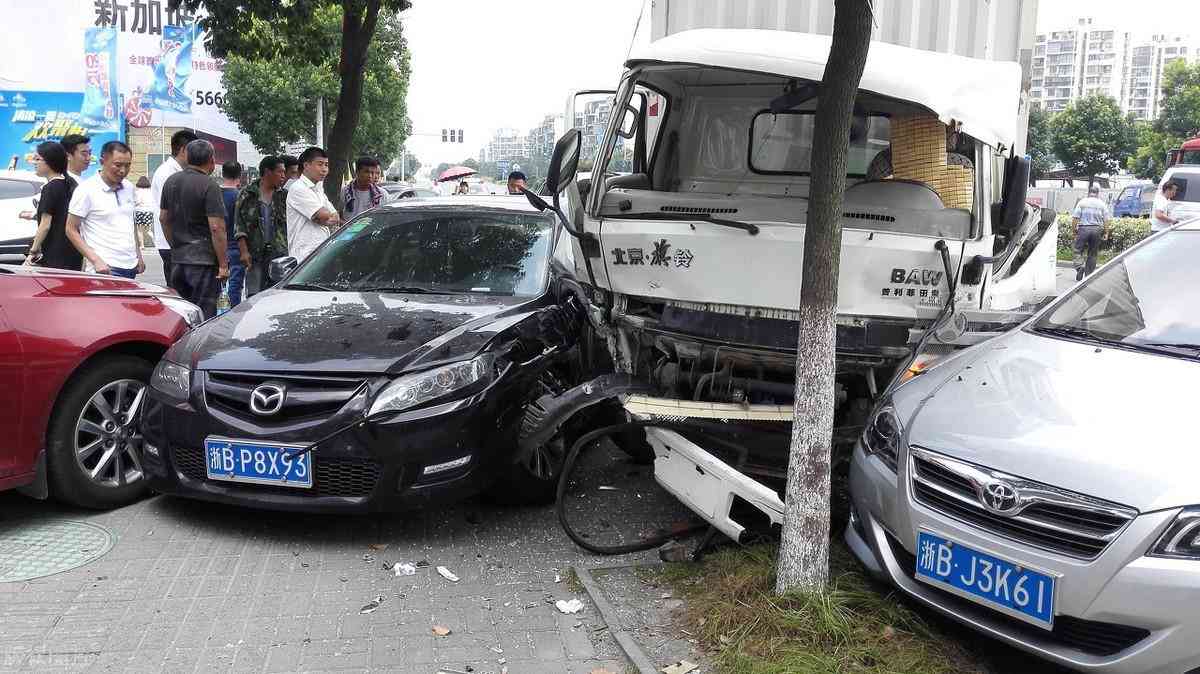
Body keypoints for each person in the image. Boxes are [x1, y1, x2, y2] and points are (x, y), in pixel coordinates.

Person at [160, 140, 228, 318]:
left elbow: (163, 218)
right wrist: (223, 265)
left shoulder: (171, 182)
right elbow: (216, 227)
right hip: (203, 263)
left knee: (180, 315)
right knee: (203, 316)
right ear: (211, 160)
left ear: (188, 157)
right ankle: (198, 346)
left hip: (178, 260)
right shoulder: (209, 185)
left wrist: (175, 245)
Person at [65, 141, 144, 278]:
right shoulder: (86, 189)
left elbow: (131, 224)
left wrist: (138, 255)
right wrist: (95, 260)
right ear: (103, 161)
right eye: (118, 165)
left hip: (130, 265)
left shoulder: (129, 187)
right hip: (105, 268)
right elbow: (71, 229)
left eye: (127, 165)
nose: (123, 171)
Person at [234, 156, 290, 298]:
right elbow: (239, 226)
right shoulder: (247, 194)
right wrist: (244, 252)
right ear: (267, 172)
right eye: (280, 172)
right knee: (254, 296)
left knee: (277, 296)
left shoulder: (284, 196)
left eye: (284, 172)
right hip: (255, 255)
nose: (283, 176)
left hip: (279, 255)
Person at [151, 129, 199, 288]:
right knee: (178, 292)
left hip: (179, 244)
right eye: (194, 150)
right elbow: (169, 215)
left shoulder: (179, 172)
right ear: (183, 150)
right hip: (172, 244)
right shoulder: (168, 174)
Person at [26, 141, 81, 271]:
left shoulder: (50, 188)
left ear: (50, 161)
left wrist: (33, 251)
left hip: (56, 254)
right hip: (72, 251)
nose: (34, 162)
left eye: (37, 159)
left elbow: (45, 225)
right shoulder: (68, 184)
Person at [286, 146, 340, 261]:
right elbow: (324, 215)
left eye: (326, 165)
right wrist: (323, 218)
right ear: (306, 165)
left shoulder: (318, 188)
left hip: (320, 254)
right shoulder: (298, 188)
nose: (324, 169)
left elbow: (336, 216)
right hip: (304, 258)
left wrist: (321, 219)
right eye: (320, 164)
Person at [1071, 184, 1111, 280]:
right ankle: (1088, 276)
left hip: (1083, 229)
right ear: (1097, 194)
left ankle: (1080, 267)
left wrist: (1074, 231)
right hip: (1097, 230)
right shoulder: (1102, 204)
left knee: (1077, 250)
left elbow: (1075, 218)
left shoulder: (1082, 202)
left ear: (1089, 193)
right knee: (1093, 253)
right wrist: (1106, 233)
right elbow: (1106, 220)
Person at [220, 161, 245, 307]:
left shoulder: (214, 194)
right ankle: (232, 314)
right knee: (235, 286)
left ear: (223, 174)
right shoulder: (241, 196)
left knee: (219, 285)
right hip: (237, 247)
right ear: (239, 175)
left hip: (218, 246)